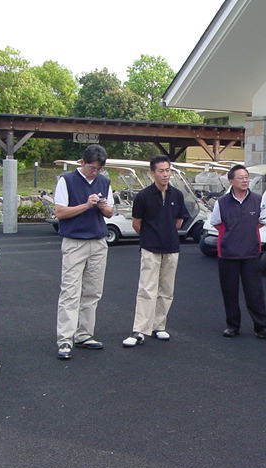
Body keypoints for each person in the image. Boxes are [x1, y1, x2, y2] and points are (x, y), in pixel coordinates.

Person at [123, 155, 190, 347]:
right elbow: (137, 223)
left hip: (171, 247)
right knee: (147, 289)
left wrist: (167, 232)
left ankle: (158, 326)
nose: (165, 174)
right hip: (150, 247)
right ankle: (139, 329)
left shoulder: (177, 195)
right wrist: (151, 235)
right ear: (152, 173)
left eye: (168, 170)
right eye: (161, 171)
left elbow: (179, 221)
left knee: (166, 289)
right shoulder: (143, 196)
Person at [54, 144, 114, 360]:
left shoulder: (104, 182)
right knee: (70, 291)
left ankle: (84, 334)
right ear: (82, 162)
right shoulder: (66, 180)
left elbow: (110, 212)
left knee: (93, 291)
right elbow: (60, 212)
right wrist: (86, 205)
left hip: (98, 242)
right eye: (92, 168)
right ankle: (65, 339)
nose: (95, 172)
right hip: (74, 242)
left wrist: (102, 206)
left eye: (99, 168)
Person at [211, 164, 266, 341]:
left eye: (246, 177)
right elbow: (216, 223)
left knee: (255, 292)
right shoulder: (221, 202)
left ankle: (261, 327)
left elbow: (261, 221)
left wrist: (246, 232)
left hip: (250, 252)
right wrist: (232, 234)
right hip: (228, 253)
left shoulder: (257, 199)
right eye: (240, 177)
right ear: (231, 181)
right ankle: (233, 326)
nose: (245, 180)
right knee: (229, 291)